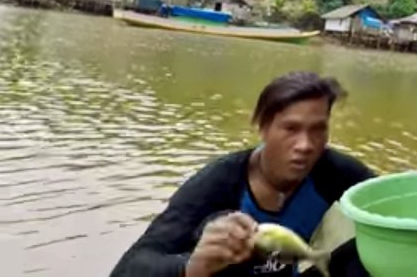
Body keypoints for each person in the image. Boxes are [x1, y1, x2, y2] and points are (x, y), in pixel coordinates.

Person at [110, 71, 374, 277]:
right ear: (263, 128)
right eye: (291, 129)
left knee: (366, 243)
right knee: (222, 227)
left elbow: (396, 211)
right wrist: (192, 267)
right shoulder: (216, 185)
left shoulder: (337, 173)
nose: (305, 145)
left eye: (317, 130)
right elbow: (130, 267)